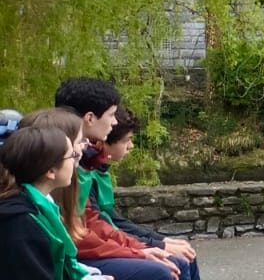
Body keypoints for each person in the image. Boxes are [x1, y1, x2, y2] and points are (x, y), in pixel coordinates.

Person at [25, 108, 191, 280]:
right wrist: (142, 249)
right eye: (78, 144)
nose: (83, 149)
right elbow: (79, 241)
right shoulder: (33, 205)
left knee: (177, 261)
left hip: (89, 254)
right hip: (87, 255)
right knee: (163, 269)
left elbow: (98, 224)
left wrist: (148, 244)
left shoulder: (64, 186)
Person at [81, 108, 200, 271]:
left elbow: (115, 221)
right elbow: (101, 227)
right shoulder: (84, 177)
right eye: (126, 140)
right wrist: (151, 246)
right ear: (102, 143)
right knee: (173, 264)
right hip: (101, 248)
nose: (131, 146)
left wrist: (160, 240)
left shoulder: (99, 173)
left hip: (113, 242)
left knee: (186, 258)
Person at [0, 125, 103, 280]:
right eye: (72, 155)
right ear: (51, 171)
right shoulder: (21, 224)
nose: (77, 157)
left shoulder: (35, 205)